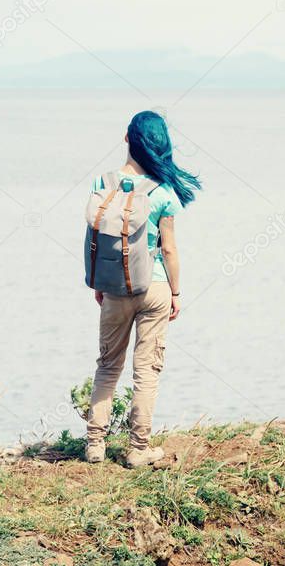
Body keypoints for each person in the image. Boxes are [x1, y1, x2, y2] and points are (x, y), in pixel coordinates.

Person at [85, 111, 202, 467]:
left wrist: (100, 281)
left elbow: (96, 237)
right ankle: (138, 449)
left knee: (108, 366)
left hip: (114, 288)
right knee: (146, 371)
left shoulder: (102, 184)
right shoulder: (162, 191)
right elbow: (168, 249)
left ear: (126, 139)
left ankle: (94, 445)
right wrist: (176, 293)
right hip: (154, 288)